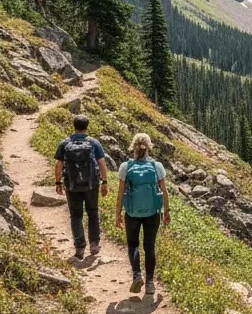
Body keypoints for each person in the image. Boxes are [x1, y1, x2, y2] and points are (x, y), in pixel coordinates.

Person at [115, 133, 170, 295]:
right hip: (153, 212)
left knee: (133, 244)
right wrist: (166, 211)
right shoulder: (156, 166)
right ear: (149, 146)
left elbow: (120, 193)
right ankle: (151, 283)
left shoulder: (126, 166)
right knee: (149, 245)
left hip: (132, 212)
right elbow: (164, 191)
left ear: (133, 146)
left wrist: (118, 214)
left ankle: (137, 275)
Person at [54, 115, 108, 259]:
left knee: (76, 215)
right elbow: (102, 163)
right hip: (91, 184)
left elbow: (58, 164)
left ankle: (79, 247)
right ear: (87, 126)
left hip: (72, 185)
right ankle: (94, 244)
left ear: (74, 126)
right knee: (93, 212)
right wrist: (105, 182)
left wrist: (58, 182)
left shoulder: (65, 143)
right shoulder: (94, 143)